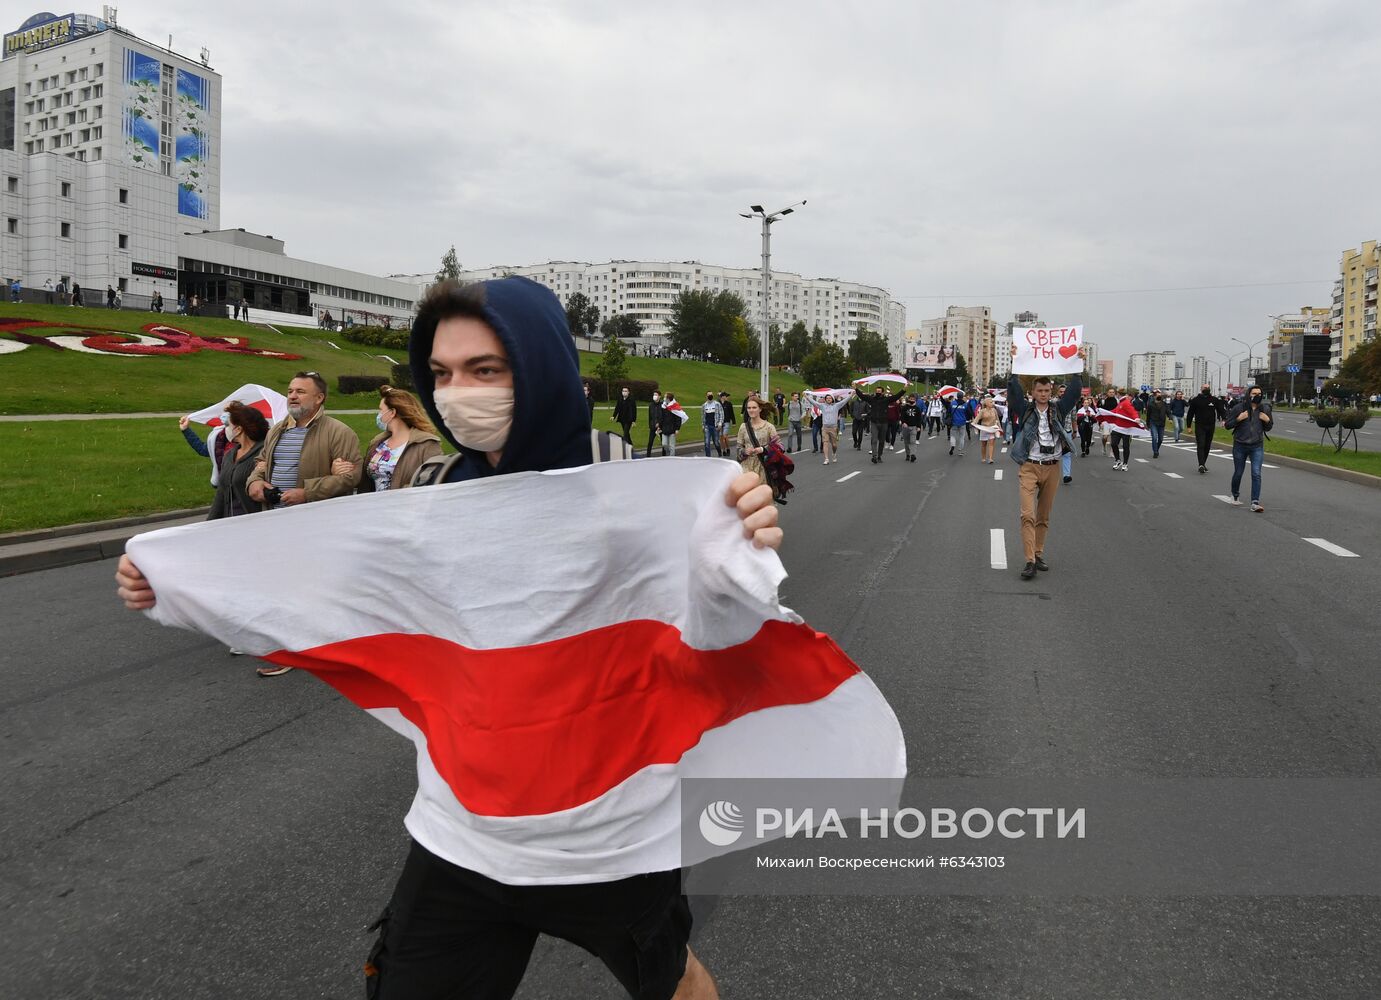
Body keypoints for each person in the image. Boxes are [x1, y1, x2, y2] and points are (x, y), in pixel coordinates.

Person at [116, 276, 781, 1000]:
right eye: (442, 373)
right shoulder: (433, 487)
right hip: (464, 831)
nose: (460, 391)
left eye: (486, 370)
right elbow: (333, 580)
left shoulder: (624, 477)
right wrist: (179, 583)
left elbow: (719, 616)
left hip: (609, 832)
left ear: (541, 368)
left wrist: (740, 529)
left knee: (670, 978)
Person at [245, 371, 363, 677]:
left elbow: (350, 477)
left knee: (302, 586)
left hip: (312, 524)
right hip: (274, 519)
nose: (292, 396)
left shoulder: (339, 432)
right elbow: (261, 465)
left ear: (319, 398)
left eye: (300, 391)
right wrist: (255, 484)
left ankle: (298, 650)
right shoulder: (277, 431)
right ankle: (286, 640)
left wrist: (307, 492)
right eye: (290, 390)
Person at [1007, 368, 1083, 581]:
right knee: (1027, 515)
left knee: (1043, 516)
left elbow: (1073, 394)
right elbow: (1013, 395)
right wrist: (1014, 371)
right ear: (1032, 392)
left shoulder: (1058, 410)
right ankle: (1030, 560)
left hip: (1052, 467)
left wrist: (1077, 370)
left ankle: (1038, 553)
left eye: (1047, 390)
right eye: (1039, 390)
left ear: (1051, 392)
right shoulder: (1026, 410)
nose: (1043, 394)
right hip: (1029, 467)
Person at [346, 385, 444, 493]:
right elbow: (364, 481)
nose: (379, 415)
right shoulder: (377, 443)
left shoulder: (427, 444)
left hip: (406, 507)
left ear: (392, 412)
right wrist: (349, 468)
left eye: (380, 410)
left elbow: (436, 483)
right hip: (373, 507)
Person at [208, 401, 269, 520]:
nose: (226, 429)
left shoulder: (264, 453)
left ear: (238, 429)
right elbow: (221, 494)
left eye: (228, 425)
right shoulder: (229, 455)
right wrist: (208, 525)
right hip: (229, 525)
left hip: (255, 524)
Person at [1225, 385, 1272, 512]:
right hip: (1240, 445)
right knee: (1238, 472)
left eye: (1259, 393)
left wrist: (1267, 420)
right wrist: (1238, 419)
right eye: (1254, 393)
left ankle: (1255, 502)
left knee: (1256, 473)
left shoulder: (1265, 409)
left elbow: (1268, 427)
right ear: (1248, 394)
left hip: (1257, 446)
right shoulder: (1239, 408)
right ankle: (1235, 494)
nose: (1257, 395)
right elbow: (1228, 425)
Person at [737, 396, 785, 501]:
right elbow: (738, 449)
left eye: (754, 407)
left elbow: (780, 447)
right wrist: (744, 451)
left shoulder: (769, 427)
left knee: (762, 501)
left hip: (764, 467)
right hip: (747, 468)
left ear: (760, 409)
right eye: (749, 408)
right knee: (748, 500)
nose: (751, 410)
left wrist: (763, 449)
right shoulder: (743, 427)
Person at [179, 411, 235, 488]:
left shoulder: (248, 439)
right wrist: (186, 430)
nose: (223, 414)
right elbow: (203, 449)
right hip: (223, 485)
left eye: (228, 410)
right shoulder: (219, 437)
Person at [801, 389, 856, 465]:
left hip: (833, 428)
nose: (828, 399)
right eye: (827, 398)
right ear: (825, 399)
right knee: (825, 443)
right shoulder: (822, 406)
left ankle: (834, 453)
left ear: (832, 399)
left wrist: (851, 394)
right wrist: (806, 396)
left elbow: (844, 401)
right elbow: (813, 402)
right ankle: (826, 458)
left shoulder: (836, 405)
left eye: (830, 398)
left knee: (834, 445)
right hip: (825, 428)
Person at [1184, 383, 1226, 474]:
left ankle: (1203, 464)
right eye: (1205, 387)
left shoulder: (1214, 400)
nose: (1206, 389)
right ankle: (1201, 464)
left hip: (1211, 426)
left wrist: (1224, 419)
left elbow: (1221, 410)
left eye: (1208, 388)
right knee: (1201, 444)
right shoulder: (1195, 400)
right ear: (1201, 389)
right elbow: (1190, 414)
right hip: (1200, 425)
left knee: (1207, 446)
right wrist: (1188, 426)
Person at [870, 386, 905, 463]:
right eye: (876, 391)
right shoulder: (872, 399)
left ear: (882, 392)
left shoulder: (886, 400)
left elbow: (896, 396)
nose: (877, 393)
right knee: (874, 439)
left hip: (884, 423)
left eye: (879, 391)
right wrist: (856, 389)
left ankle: (879, 455)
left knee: (882, 441)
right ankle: (874, 456)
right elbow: (862, 396)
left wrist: (903, 389)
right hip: (874, 422)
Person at [1109, 391, 1141, 471]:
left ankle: (1125, 463)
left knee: (1126, 446)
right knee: (1113, 444)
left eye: (1116, 394)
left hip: (1127, 429)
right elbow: (1114, 412)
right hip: (1118, 428)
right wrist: (1103, 412)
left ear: (1119, 395)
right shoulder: (1120, 403)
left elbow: (1133, 411)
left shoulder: (1126, 402)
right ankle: (1118, 460)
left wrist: (1136, 418)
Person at [974, 396, 1002, 464]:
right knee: (984, 444)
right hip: (984, 428)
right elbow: (976, 419)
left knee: (991, 443)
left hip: (992, 429)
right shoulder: (982, 411)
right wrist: (975, 425)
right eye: (991, 402)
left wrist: (1000, 428)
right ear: (986, 403)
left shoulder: (994, 410)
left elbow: (997, 419)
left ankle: (990, 458)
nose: (992, 403)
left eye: (992, 402)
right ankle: (983, 458)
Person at [900, 393, 924, 462]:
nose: (912, 400)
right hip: (906, 427)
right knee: (906, 442)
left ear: (915, 400)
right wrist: (903, 422)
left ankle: (913, 454)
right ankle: (908, 454)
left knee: (913, 441)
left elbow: (919, 418)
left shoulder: (917, 409)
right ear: (908, 399)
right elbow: (902, 416)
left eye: (913, 399)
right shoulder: (904, 407)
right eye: (911, 399)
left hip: (914, 427)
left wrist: (919, 426)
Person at [1145, 391, 1169, 458]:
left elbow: (1168, 412)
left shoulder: (1164, 404)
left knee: (1161, 439)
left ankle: (1156, 449)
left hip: (1161, 423)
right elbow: (1148, 415)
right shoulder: (1151, 404)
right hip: (1153, 422)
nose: (1159, 397)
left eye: (1160, 396)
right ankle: (1155, 452)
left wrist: (1170, 417)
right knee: (1154, 438)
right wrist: (1147, 424)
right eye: (1158, 395)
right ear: (1155, 396)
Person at [946, 392, 969, 458]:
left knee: (953, 435)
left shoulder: (952, 403)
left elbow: (949, 412)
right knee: (961, 437)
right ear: (962, 397)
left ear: (957, 396)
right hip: (962, 422)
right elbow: (968, 413)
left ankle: (953, 445)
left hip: (954, 422)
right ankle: (960, 451)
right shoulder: (965, 404)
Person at [646, 390, 665, 458]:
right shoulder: (651, 405)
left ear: (659, 396)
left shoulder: (662, 405)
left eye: (656, 395)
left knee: (663, 442)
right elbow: (650, 417)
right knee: (650, 442)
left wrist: (659, 424)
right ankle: (648, 456)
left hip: (661, 427)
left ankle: (664, 455)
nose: (655, 396)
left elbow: (663, 416)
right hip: (653, 426)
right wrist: (650, 425)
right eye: (654, 395)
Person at [718, 392, 735, 456]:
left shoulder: (729, 404)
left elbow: (732, 413)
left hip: (726, 422)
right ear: (722, 397)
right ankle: (723, 450)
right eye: (725, 396)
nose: (726, 397)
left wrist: (733, 422)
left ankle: (728, 448)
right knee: (721, 437)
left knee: (725, 436)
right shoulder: (718, 404)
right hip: (719, 422)